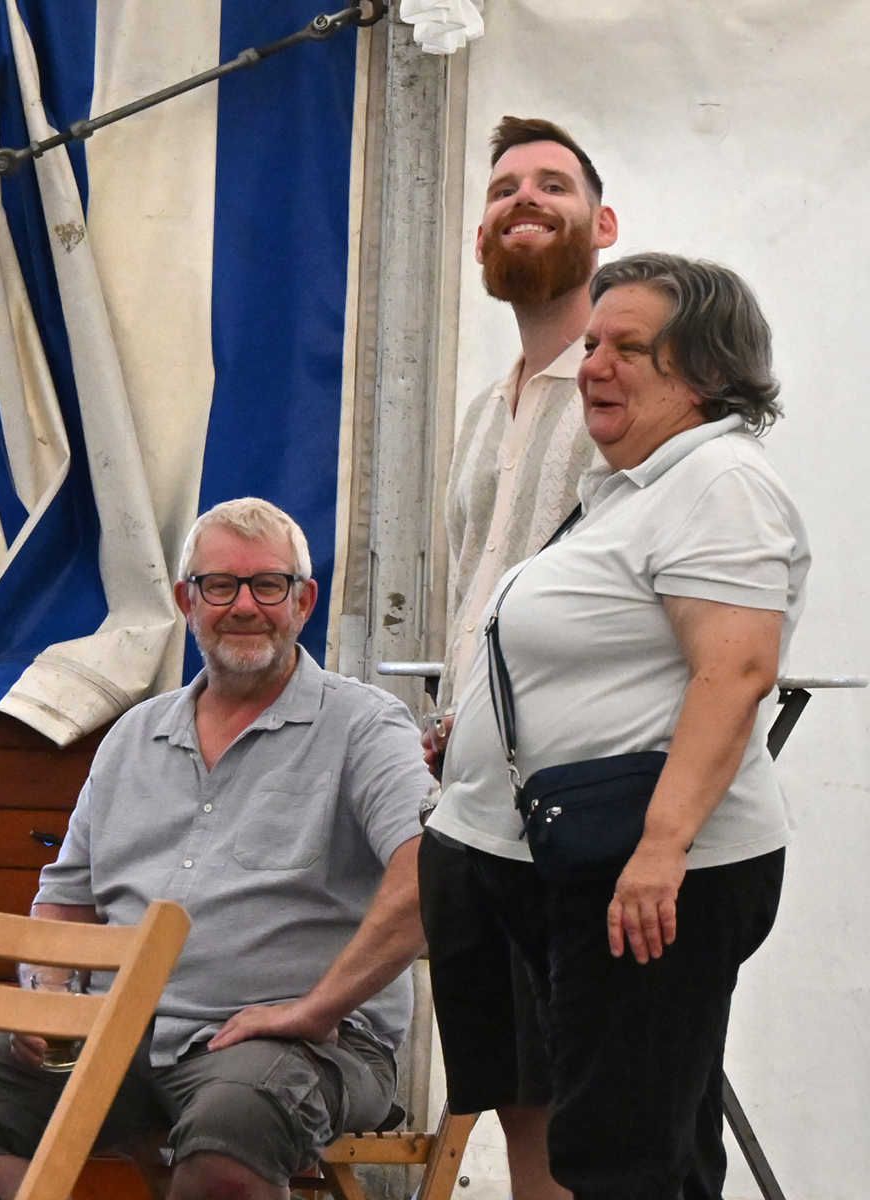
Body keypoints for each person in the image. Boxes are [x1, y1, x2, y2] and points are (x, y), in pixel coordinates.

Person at [428, 253, 805, 1200]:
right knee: (653, 1153)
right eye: (592, 343)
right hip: (583, 862)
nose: (592, 365)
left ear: (704, 374)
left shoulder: (718, 482)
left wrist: (662, 848)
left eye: (627, 349)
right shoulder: (635, 488)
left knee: (618, 1158)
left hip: (646, 872)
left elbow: (736, 670)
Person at [0, 499, 432, 1200]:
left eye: (269, 585)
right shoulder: (133, 734)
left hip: (294, 1043)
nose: (244, 606)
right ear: (186, 602)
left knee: (231, 1130)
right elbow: (67, 899)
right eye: (219, 586)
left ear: (304, 601)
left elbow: (429, 868)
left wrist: (315, 1009)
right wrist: (47, 997)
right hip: (114, 1030)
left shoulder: (365, 725)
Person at [420, 116, 616, 1200]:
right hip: (474, 800)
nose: (523, 199)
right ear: (483, 236)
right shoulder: (476, 415)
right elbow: (472, 595)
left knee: (600, 1105)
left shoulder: (628, 398)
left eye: (552, 183)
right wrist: (459, 716)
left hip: (577, 804)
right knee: (517, 1092)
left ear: (604, 224)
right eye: (503, 189)